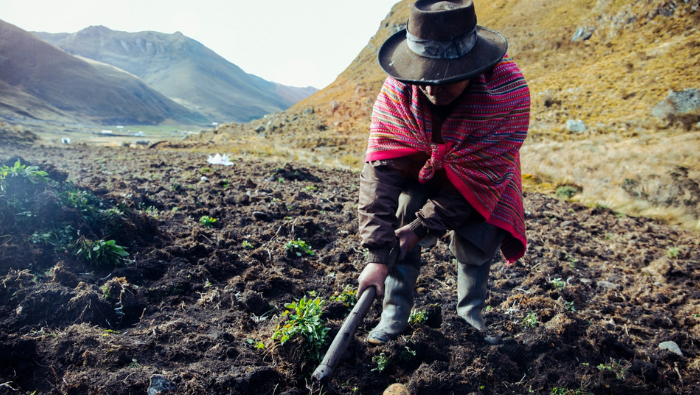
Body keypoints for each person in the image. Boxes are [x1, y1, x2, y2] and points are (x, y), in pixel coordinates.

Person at [356, 0, 530, 345]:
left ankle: (470, 321)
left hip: (481, 179)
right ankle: (392, 317)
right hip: (420, 171)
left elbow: (482, 181)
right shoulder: (398, 92)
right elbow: (380, 174)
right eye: (425, 79)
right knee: (403, 210)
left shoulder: (506, 95)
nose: (434, 89)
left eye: (448, 79)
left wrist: (422, 228)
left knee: (479, 235)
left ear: (473, 67)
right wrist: (378, 254)